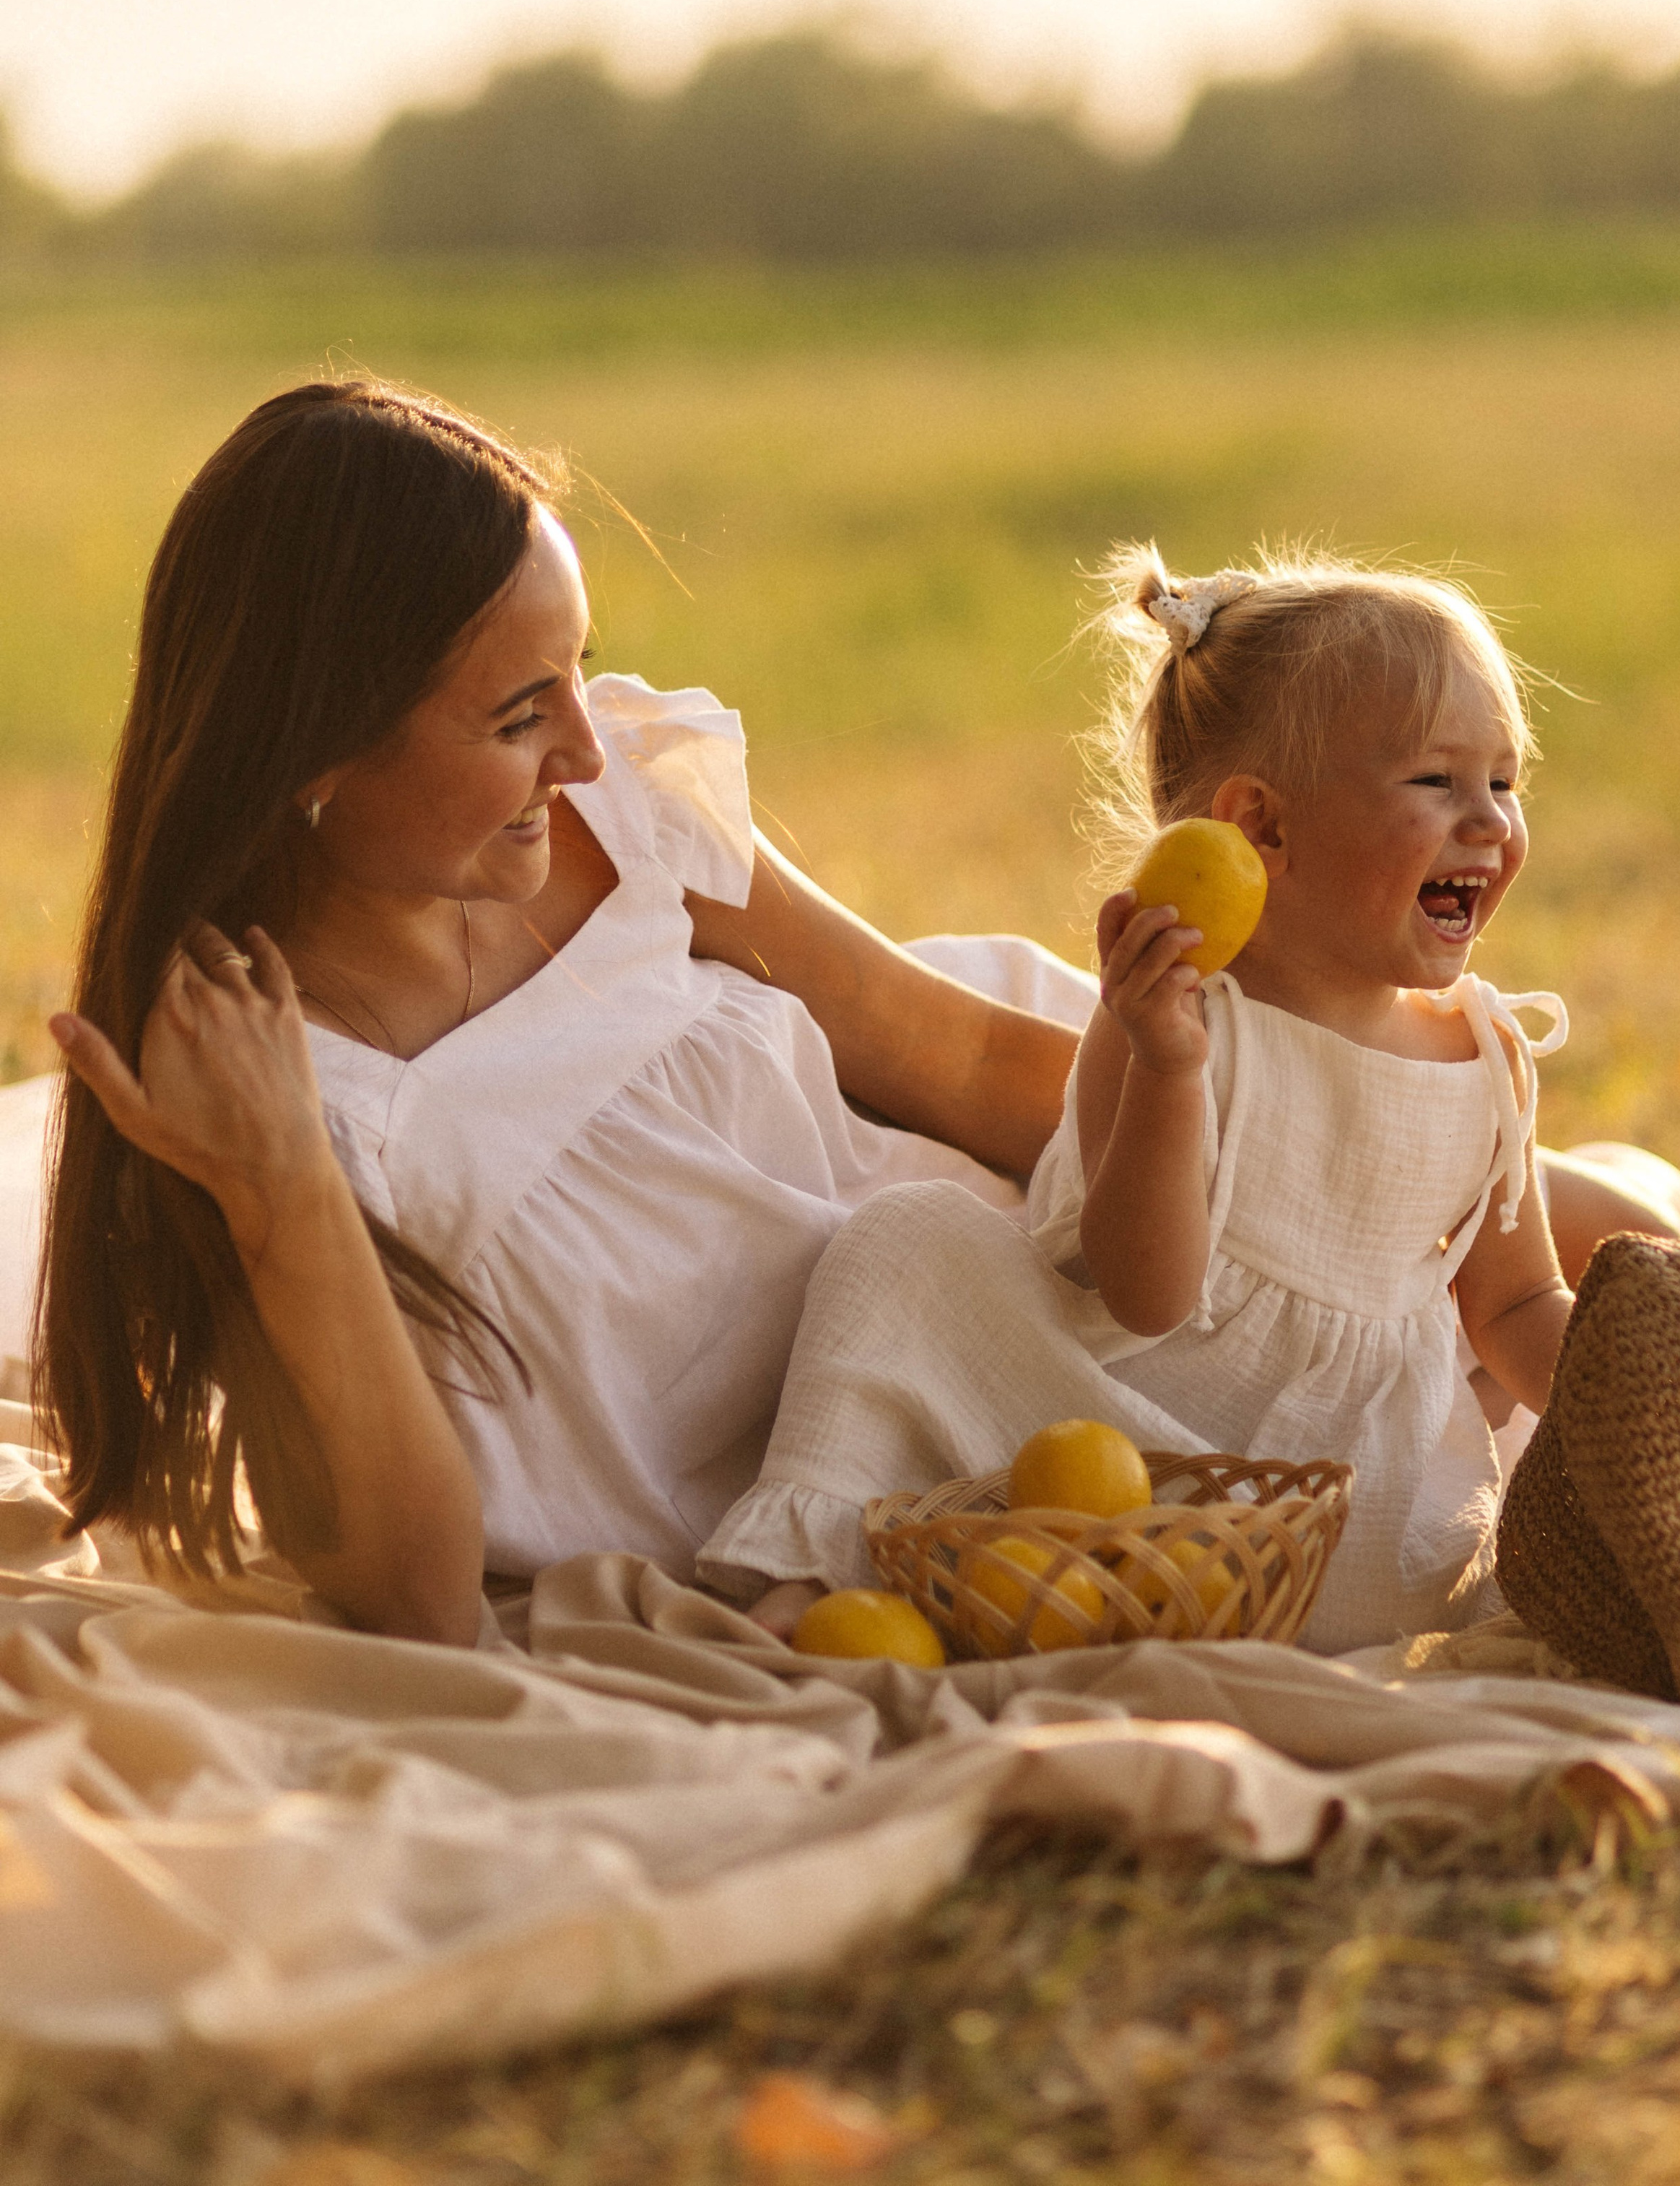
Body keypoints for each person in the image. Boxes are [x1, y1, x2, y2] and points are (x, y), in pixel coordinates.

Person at [35, 380, 1078, 1644]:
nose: (587, 748)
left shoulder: (617, 814)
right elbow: (415, 1595)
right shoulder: (265, 1074)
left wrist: (1218, 1168)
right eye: (519, 715)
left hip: (1023, 1288)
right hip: (895, 1509)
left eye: (573, 672)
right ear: (315, 751)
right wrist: (287, 1187)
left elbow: (951, 1050)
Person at [701, 547, 1580, 1652]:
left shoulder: (1486, 1055)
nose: (1491, 821)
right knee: (905, 1244)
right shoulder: (1174, 1024)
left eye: (1504, 782)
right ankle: (823, 1564)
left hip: (1338, 1524)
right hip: (1120, 1456)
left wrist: (1640, 1409)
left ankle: (1010, 1590)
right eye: (1438, 783)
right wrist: (1168, 1071)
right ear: (1259, 827)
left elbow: (1514, 1306)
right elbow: (1146, 1293)